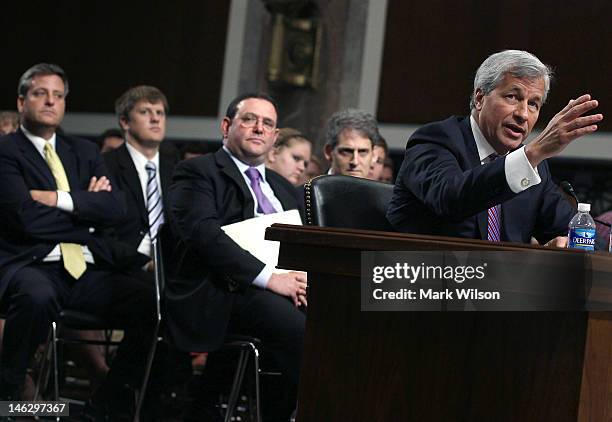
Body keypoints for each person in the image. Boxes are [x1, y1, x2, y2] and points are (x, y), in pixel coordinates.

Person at [0, 63, 155, 419]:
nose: (50, 102)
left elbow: (117, 209)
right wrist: (86, 210)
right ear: (22, 101)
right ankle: (10, 399)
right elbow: (24, 219)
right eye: (40, 93)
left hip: (85, 264)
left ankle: (106, 403)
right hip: (30, 262)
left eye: (58, 95)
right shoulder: (6, 151)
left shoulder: (83, 151)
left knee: (151, 302)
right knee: (37, 295)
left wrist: (59, 199)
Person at [166, 92, 306, 421]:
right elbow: (205, 237)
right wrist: (271, 279)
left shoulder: (284, 188)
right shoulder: (196, 172)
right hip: (224, 290)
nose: (259, 128)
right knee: (299, 330)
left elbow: (306, 241)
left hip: (285, 287)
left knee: (341, 319)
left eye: (267, 124)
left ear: (274, 137)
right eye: (249, 119)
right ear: (226, 126)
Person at [387, 50, 602, 245]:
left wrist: (569, 243)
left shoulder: (534, 168)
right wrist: (532, 154)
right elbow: (450, 199)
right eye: (512, 97)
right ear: (480, 98)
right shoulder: (435, 140)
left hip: (502, 286)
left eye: (533, 104)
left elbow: (581, 234)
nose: (523, 114)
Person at [104, 85, 177, 271]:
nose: (155, 119)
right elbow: (102, 232)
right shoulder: (105, 165)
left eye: (160, 113)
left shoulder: (177, 169)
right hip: (125, 266)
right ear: (124, 122)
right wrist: (144, 264)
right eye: (145, 112)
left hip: (174, 265)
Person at [323, 108, 381, 178]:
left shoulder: (383, 189)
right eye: (347, 151)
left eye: (363, 152)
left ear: (374, 155)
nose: (355, 162)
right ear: (329, 152)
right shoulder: (311, 188)